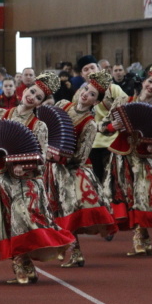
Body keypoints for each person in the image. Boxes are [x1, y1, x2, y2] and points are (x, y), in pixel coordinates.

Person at [0, 72, 74, 284]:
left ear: (41, 103)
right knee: (7, 222)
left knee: (23, 220)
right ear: (24, 90)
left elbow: (41, 158)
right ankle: (23, 265)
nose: (32, 97)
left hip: (25, 183)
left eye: (38, 97)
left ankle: (23, 264)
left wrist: (25, 167)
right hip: (1, 180)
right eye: (31, 91)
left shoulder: (39, 126)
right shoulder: (1, 114)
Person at [100, 59, 152, 255]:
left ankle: (140, 238)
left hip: (145, 159)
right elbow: (102, 126)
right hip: (122, 157)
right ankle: (142, 238)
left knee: (144, 195)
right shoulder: (123, 102)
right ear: (143, 82)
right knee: (127, 196)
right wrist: (111, 127)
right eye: (150, 82)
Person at [45, 72, 118, 268]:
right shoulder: (62, 105)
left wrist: (59, 157)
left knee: (70, 211)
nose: (86, 94)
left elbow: (81, 155)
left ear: (96, 102)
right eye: (86, 89)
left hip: (72, 171)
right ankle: (67, 249)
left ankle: (74, 251)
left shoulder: (90, 124)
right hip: (51, 167)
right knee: (54, 209)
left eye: (92, 94)